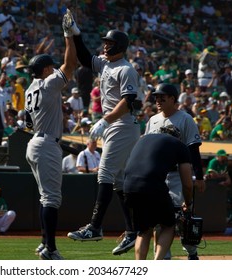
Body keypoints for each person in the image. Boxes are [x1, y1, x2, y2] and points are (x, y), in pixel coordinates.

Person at [64, 11, 143, 255]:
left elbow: (129, 100)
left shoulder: (125, 69)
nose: (104, 45)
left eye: (108, 42)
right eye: (105, 42)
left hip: (122, 124)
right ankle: (132, 231)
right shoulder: (107, 63)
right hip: (115, 125)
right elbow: (86, 58)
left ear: (118, 46)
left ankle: (96, 227)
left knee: (105, 173)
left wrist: (105, 120)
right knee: (119, 181)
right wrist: (75, 34)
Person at [24, 11, 77, 260]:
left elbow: (25, 122)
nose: (54, 69)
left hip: (35, 141)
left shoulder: (29, 89)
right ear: (45, 69)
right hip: (45, 143)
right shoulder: (47, 84)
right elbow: (71, 65)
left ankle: (45, 242)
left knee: (45, 196)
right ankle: (51, 249)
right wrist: (69, 37)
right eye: (51, 67)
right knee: (52, 198)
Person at [144, 83, 206, 260]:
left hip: (178, 176)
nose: (158, 100)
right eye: (156, 97)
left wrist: (199, 177)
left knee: (183, 219)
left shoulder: (185, 119)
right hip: (158, 177)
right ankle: (164, 257)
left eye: (162, 97)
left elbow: (194, 150)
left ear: (172, 98)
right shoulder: (152, 120)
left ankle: (192, 252)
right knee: (158, 220)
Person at [123, 125, 193, 260]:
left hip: (129, 186)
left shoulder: (143, 139)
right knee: (168, 225)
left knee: (144, 231)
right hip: (152, 185)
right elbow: (188, 184)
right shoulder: (179, 145)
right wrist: (188, 202)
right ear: (178, 137)